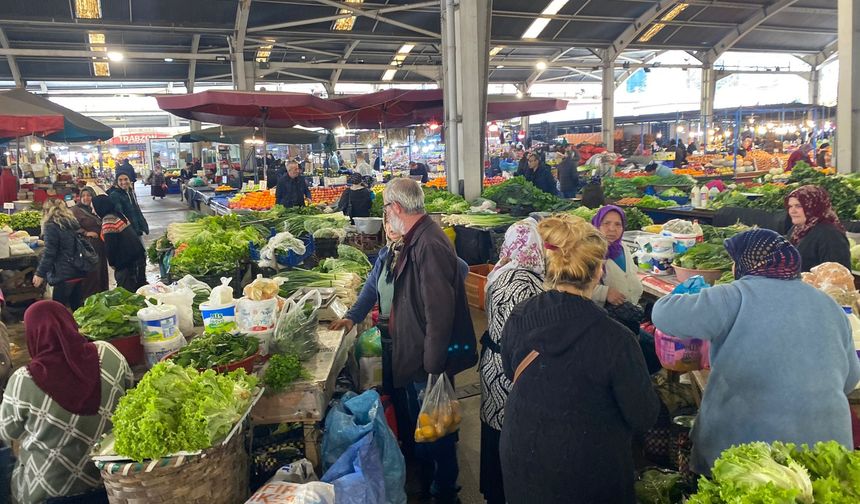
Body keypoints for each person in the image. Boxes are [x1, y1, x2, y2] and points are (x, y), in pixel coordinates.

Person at [652, 229, 860, 474]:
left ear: (744, 264)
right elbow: (850, 379)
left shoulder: (734, 295)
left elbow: (663, 314)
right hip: (825, 449)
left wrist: (689, 290)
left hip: (754, 453)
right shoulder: (828, 304)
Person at [499, 214, 659, 504]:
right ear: (598, 271)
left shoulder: (521, 314)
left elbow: (512, 371)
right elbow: (643, 415)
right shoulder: (617, 339)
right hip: (589, 469)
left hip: (524, 452)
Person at [376, 178, 475, 503]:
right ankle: (435, 483)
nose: (386, 214)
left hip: (426, 362)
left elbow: (439, 312)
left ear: (397, 208)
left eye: (387, 208)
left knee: (438, 433)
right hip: (419, 356)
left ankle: (445, 493)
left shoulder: (428, 244)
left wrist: (432, 369)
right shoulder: (418, 237)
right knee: (430, 430)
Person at [0, 300, 132, 504]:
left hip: (49, 492)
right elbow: (130, 388)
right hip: (112, 480)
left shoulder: (23, 380)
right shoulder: (108, 352)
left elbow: (7, 432)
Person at [479, 219, 545, 504]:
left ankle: (494, 491)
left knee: (493, 430)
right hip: (514, 370)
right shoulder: (530, 283)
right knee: (511, 435)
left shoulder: (499, 273)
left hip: (492, 363)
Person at [33, 199, 88, 310]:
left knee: (58, 310)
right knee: (78, 309)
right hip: (77, 269)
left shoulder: (51, 226)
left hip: (62, 273)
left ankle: (61, 327)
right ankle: (78, 327)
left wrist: (40, 273)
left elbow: (50, 253)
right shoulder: (71, 223)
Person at [785, 185, 851, 271]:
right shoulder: (797, 229)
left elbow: (837, 276)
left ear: (815, 206)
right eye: (790, 206)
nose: (792, 211)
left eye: (799, 206)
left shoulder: (830, 235)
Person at [92, 195, 147, 292]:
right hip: (136, 258)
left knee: (128, 293)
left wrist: (112, 263)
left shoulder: (108, 220)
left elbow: (111, 246)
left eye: (94, 207)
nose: (93, 210)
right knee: (137, 288)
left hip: (125, 263)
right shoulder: (118, 214)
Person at [71, 187, 108, 300]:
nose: (86, 198)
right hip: (87, 247)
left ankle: (102, 296)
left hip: (100, 245)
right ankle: (90, 299)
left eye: (89, 195)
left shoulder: (96, 208)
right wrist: (86, 233)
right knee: (92, 274)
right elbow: (71, 227)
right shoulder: (75, 210)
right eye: (84, 196)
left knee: (101, 271)